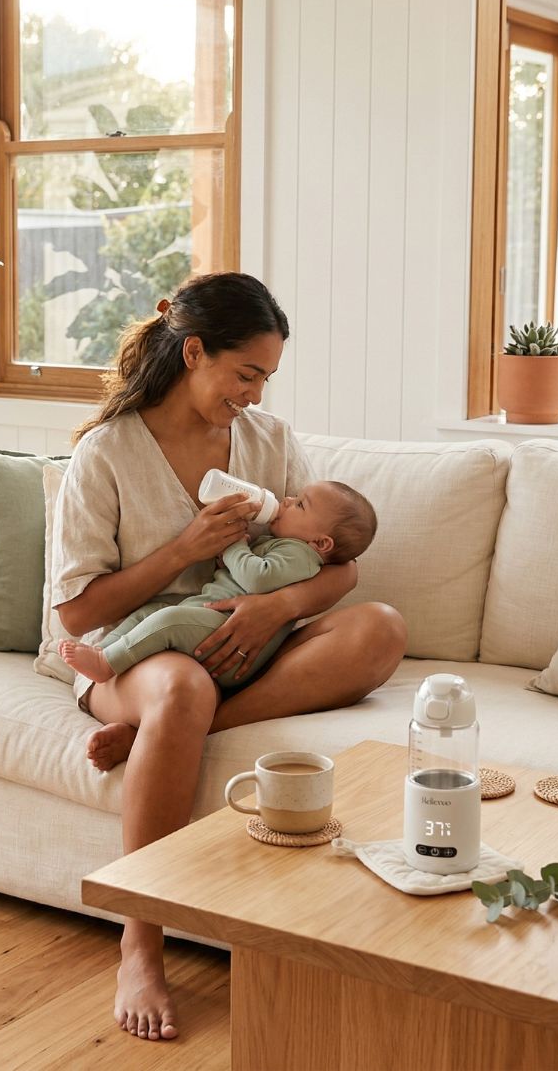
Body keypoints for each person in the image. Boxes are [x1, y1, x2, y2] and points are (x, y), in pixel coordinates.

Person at [50, 272, 406, 1044]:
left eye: (266, 378)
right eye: (245, 374)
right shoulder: (107, 454)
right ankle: (140, 942)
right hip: (128, 653)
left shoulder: (268, 441)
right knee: (178, 688)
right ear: (194, 352)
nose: (253, 393)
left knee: (379, 628)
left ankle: (164, 738)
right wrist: (184, 549)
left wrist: (276, 606)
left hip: (243, 644)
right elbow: (75, 611)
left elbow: (337, 561)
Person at [58, 480, 377, 689]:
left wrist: (234, 544)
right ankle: (102, 649)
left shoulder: (301, 554)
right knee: (153, 611)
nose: (288, 498)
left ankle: (106, 663)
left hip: (227, 635)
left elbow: (258, 576)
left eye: (300, 505)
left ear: (321, 543)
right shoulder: (284, 543)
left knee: (167, 620)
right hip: (209, 616)